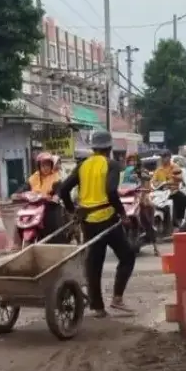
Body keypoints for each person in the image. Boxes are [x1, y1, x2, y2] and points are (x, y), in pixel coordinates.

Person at [57, 130, 136, 316]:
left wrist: (71, 210)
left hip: (87, 220)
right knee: (127, 256)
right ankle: (117, 299)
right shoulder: (112, 165)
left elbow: (63, 190)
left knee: (94, 262)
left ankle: (97, 307)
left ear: (94, 148)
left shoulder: (83, 165)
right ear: (109, 148)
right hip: (107, 218)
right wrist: (122, 214)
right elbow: (111, 190)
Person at [26, 153, 64, 239]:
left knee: (53, 224)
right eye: (43, 165)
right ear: (39, 166)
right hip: (34, 207)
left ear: (51, 166)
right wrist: (16, 194)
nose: (45, 168)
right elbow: (25, 187)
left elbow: (59, 189)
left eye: (48, 165)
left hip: (49, 207)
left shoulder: (56, 177)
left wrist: (56, 196)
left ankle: (56, 240)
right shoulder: (33, 177)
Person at [152, 151, 186, 231]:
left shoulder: (175, 167)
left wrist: (174, 178)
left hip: (173, 190)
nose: (163, 159)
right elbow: (153, 181)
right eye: (162, 157)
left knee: (181, 198)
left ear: (169, 157)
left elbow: (180, 177)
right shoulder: (158, 170)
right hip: (161, 193)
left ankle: (179, 219)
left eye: (165, 156)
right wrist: (155, 184)